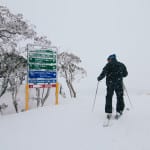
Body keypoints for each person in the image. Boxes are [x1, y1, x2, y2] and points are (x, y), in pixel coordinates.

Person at [97, 54, 128, 119]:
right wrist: (120, 75)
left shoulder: (108, 65)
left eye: (108, 60)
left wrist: (99, 78)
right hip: (119, 84)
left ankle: (109, 112)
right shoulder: (121, 65)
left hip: (110, 84)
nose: (108, 61)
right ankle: (119, 111)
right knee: (119, 97)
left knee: (109, 97)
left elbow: (103, 73)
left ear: (110, 59)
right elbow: (125, 74)